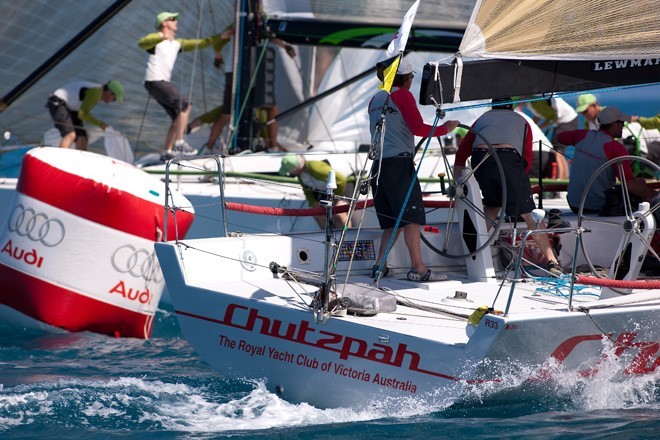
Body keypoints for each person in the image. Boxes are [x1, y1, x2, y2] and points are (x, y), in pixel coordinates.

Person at [368, 58, 459, 282]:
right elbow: (417, 128)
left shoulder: (376, 99)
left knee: (392, 220)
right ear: (406, 78)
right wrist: (445, 129)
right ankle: (419, 268)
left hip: (378, 166)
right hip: (399, 166)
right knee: (411, 218)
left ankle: (379, 266)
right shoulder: (403, 95)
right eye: (411, 78)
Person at [454, 97, 563, 276]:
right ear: (511, 107)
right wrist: (519, 188)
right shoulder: (522, 120)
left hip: (480, 158)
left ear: (492, 106)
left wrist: (458, 186)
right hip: (507, 158)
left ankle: (472, 256)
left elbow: (461, 154)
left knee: (492, 205)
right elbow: (526, 160)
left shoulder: (481, 119)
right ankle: (552, 261)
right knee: (530, 214)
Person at [139, 12, 233, 158]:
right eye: (172, 19)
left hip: (158, 83)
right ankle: (180, 142)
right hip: (155, 81)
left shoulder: (177, 44)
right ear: (164, 23)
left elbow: (201, 43)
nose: (176, 21)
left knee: (178, 116)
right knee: (185, 105)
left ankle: (167, 151)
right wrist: (160, 35)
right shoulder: (156, 42)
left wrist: (221, 37)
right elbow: (142, 43)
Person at [557, 106, 657, 214]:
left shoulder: (582, 135)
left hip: (574, 204)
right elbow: (629, 185)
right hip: (598, 207)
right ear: (614, 125)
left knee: (639, 181)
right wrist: (656, 195)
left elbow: (560, 137)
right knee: (640, 186)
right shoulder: (616, 148)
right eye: (622, 123)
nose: (624, 126)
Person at [45, 80, 123, 150]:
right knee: (70, 134)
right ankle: (59, 161)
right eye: (114, 99)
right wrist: (101, 124)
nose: (112, 101)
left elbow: (82, 113)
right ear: (109, 92)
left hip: (69, 107)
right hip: (58, 102)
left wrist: (101, 125)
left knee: (82, 138)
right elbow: (82, 114)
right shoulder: (95, 92)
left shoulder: (97, 91)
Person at [278, 154, 349, 229]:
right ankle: (327, 234)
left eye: (289, 172)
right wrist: (313, 202)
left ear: (296, 169)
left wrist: (335, 199)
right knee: (317, 214)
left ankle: (348, 233)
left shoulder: (316, 168)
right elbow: (307, 190)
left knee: (339, 214)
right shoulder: (300, 175)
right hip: (326, 194)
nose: (290, 174)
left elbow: (342, 180)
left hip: (340, 193)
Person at [524, 97, 578, 179]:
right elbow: (538, 115)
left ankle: (561, 179)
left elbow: (552, 118)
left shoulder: (538, 99)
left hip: (567, 120)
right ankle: (563, 178)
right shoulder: (536, 100)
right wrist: (535, 126)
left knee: (558, 152)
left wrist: (538, 127)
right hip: (564, 121)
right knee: (558, 152)